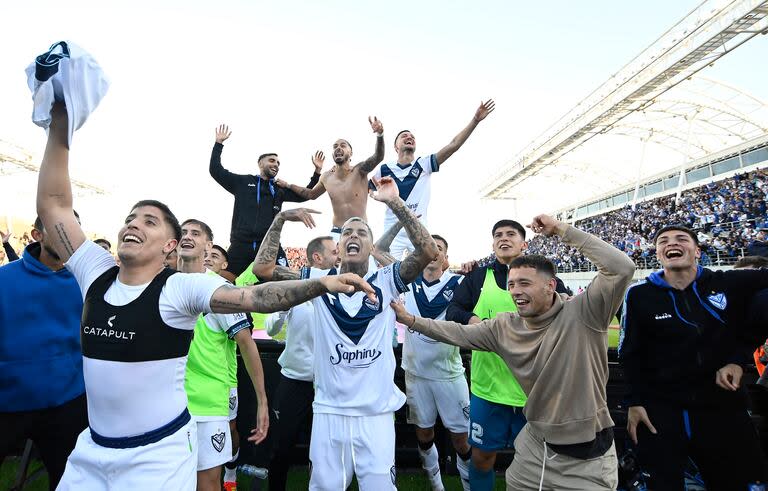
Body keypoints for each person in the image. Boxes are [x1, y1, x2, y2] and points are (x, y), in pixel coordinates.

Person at [36, 102, 375, 490]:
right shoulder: (96, 273)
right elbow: (54, 206)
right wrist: (60, 121)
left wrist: (319, 283)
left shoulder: (181, 287)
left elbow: (255, 300)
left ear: (170, 245)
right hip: (91, 454)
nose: (133, 224)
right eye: (130, 218)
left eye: (149, 221)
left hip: (156, 457)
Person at [392, 214, 636, 489]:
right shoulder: (504, 324)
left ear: (551, 285)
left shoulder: (584, 311)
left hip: (586, 455)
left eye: (524, 284)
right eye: (511, 284)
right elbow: (457, 331)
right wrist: (411, 320)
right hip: (531, 439)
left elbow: (621, 268)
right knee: (493, 465)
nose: (515, 292)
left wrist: (560, 229)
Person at [253, 176, 438, 490]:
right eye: (347, 232)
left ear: (370, 245)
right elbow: (263, 269)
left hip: (376, 415)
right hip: (328, 413)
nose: (354, 235)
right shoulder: (315, 279)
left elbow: (427, 251)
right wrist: (281, 218)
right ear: (338, 248)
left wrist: (395, 202)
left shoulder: (387, 279)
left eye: (362, 232)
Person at [620, 224, 768, 489]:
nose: (671, 243)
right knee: (663, 483)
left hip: (721, 404)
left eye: (681, 239)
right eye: (663, 240)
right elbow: (630, 353)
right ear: (657, 254)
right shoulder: (639, 295)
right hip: (661, 408)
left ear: (697, 251)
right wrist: (634, 402)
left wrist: (737, 357)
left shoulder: (727, 283)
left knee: (734, 481)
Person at [176, 219, 269, 491]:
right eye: (183, 232)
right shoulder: (162, 283)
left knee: (207, 482)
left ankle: (231, 472)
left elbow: (246, 343)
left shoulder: (220, 291)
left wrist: (262, 401)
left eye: (195, 233)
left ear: (208, 246)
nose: (187, 236)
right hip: (167, 402)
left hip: (208, 402)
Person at [0, 215, 88, 490]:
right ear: (37, 235)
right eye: (58, 224)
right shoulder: (4, 279)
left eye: (74, 226)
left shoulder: (88, 284)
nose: (68, 232)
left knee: (68, 481)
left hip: (67, 406)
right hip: (6, 404)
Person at [444, 220, 530, 491]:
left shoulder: (540, 273)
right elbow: (453, 310)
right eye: (498, 236)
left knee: (533, 461)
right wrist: (472, 320)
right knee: (481, 459)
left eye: (511, 234)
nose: (504, 239)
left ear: (523, 244)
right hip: (487, 388)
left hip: (532, 392)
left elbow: (562, 303)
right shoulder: (478, 277)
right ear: (492, 245)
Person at [371, 100, 495, 259]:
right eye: (404, 136)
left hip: (418, 229)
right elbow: (367, 188)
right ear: (396, 147)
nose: (409, 137)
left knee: (423, 274)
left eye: (412, 136)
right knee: (389, 275)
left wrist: (475, 120)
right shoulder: (384, 169)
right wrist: (375, 196)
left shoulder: (424, 164)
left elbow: (453, 145)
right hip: (392, 232)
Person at [263, 235, 338, 491]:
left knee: (329, 449)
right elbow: (271, 329)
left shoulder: (342, 284)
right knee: (281, 447)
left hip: (329, 382)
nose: (339, 255)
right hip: (295, 380)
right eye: (334, 251)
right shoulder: (295, 283)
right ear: (317, 257)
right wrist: (284, 307)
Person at [399, 234, 471, 491]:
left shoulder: (461, 283)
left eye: (438, 248)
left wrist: (473, 267)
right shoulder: (405, 281)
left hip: (449, 375)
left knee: (462, 441)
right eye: (427, 248)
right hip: (416, 374)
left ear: (446, 258)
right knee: (424, 436)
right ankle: (437, 487)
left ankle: (468, 485)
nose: (433, 252)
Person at [210, 124, 322, 278]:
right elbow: (216, 170)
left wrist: (317, 172)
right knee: (224, 281)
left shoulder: (279, 189)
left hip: (269, 245)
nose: (276, 165)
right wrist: (218, 144)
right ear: (260, 163)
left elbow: (306, 194)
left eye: (278, 163)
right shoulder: (242, 182)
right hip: (241, 244)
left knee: (286, 281)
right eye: (272, 161)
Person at [276, 117, 384, 241]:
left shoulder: (360, 170)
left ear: (351, 153)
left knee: (366, 261)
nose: (338, 148)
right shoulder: (326, 177)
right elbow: (311, 194)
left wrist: (380, 134)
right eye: (335, 146)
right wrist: (288, 185)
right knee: (329, 259)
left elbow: (378, 156)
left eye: (343, 145)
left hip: (360, 230)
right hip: (337, 232)